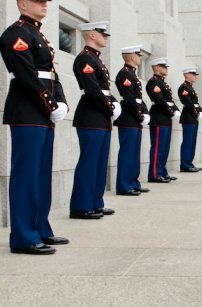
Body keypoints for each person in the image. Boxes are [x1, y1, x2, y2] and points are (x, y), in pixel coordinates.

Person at [0, 0, 69, 254]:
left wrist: (61, 102)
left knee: (41, 174)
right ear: (22, 4)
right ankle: (24, 237)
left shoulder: (36, 32)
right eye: (38, 1)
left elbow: (51, 73)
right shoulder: (16, 33)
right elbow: (26, 75)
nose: (44, 5)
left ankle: (40, 228)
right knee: (26, 175)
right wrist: (50, 104)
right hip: (28, 111)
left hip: (42, 112)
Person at [70, 21, 120, 219]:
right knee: (89, 163)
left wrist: (114, 103)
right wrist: (110, 106)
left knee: (99, 163)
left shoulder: (96, 59)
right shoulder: (84, 59)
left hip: (101, 116)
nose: (105, 37)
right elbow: (91, 90)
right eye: (102, 33)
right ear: (91, 35)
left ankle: (95, 202)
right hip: (91, 115)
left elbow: (105, 90)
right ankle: (81, 206)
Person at [114, 45, 151, 196]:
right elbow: (129, 99)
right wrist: (140, 115)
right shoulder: (124, 74)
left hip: (134, 118)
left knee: (134, 153)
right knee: (127, 153)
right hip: (129, 118)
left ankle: (133, 182)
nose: (139, 57)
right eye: (137, 54)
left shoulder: (132, 74)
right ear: (130, 56)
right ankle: (124, 185)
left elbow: (138, 99)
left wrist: (143, 112)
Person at [146, 57, 180, 183]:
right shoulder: (153, 82)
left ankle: (163, 172)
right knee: (158, 148)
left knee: (164, 148)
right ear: (156, 67)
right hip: (159, 117)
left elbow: (170, 100)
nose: (166, 69)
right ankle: (155, 174)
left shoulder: (163, 83)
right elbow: (160, 100)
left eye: (166, 67)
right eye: (163, 66)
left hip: (166, 118)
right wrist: (171, 111)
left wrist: (176, 110)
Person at [178, 67, 202, 173]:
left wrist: (200, 111)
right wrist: (197, 112)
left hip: (193, 117)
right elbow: (188, 103)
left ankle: (189, 163)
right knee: (188, 141)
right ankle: (185, 164)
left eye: (195, 74)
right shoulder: (183, 88)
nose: (195, 76)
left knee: (192, 141)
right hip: (188, 117)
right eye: (192, 74)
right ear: (186, 74)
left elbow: (195, 103)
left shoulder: (191, 88)